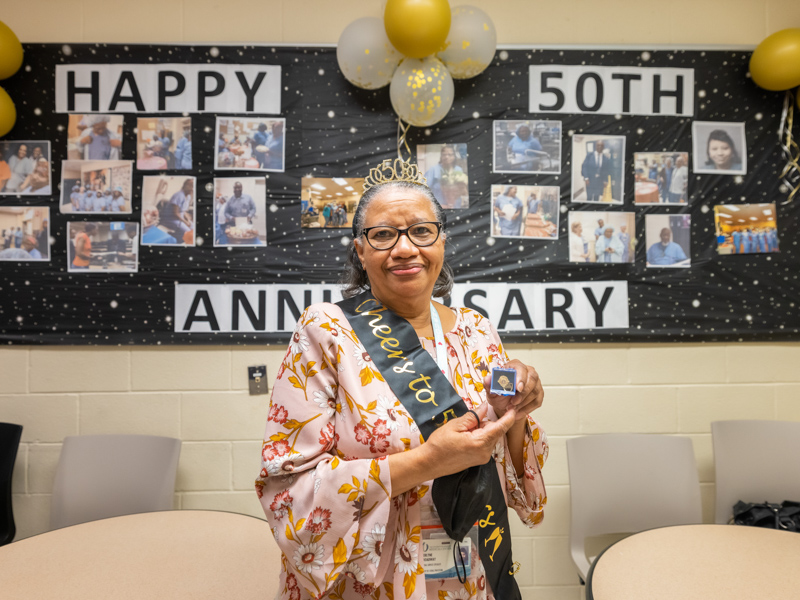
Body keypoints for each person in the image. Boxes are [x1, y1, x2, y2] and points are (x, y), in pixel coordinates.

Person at [256, 159, 547, 600]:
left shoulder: (477, 330)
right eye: (384, 234)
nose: (405, 248)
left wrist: (518, 413)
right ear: (361, 250)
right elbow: (287, 486)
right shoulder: (327, 331)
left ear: (442, 242)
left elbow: (511, 474)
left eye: (421, 231)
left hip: (466, 570)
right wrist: (429, 461)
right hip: (371, 581)